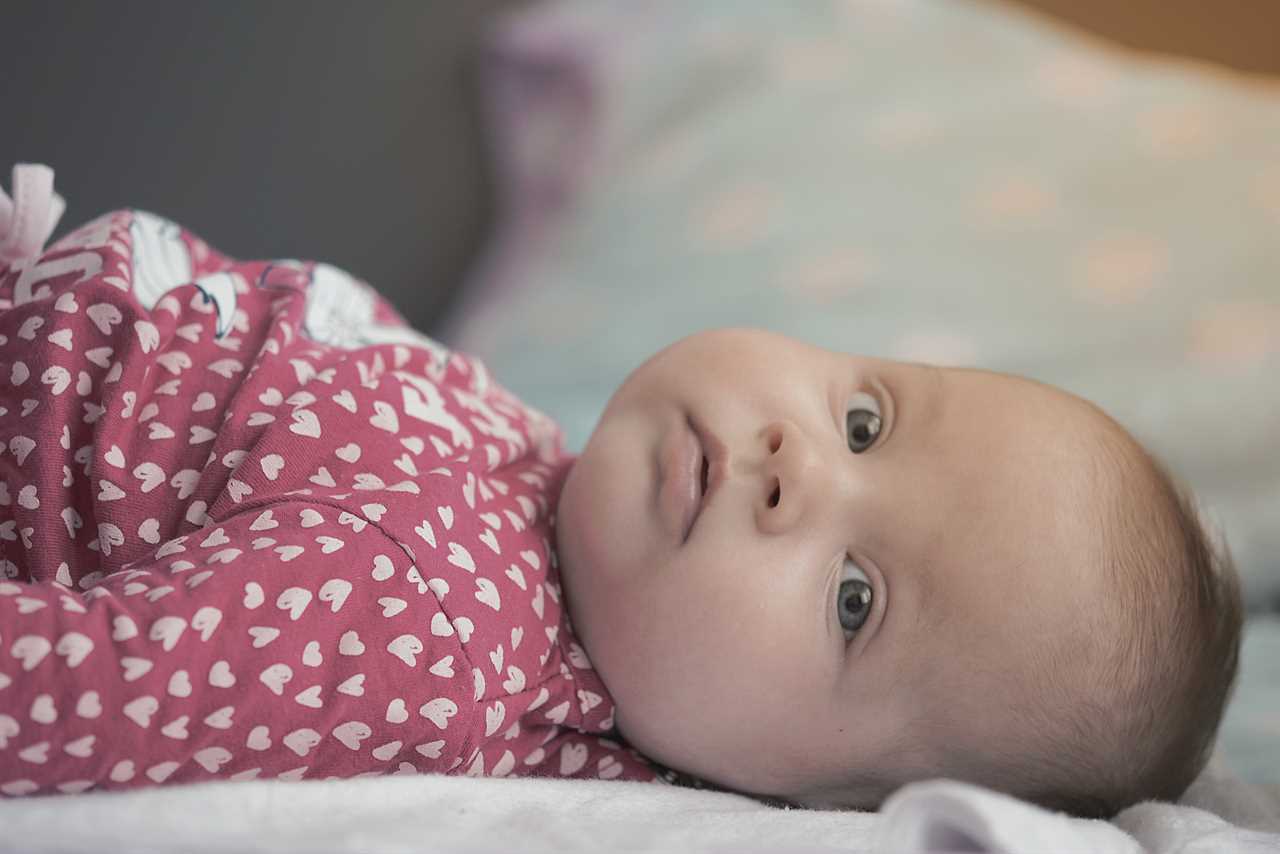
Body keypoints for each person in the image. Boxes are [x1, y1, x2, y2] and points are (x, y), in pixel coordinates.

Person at [0, 165, 1243, 818]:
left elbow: (72, 690)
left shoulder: (423, 627)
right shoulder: (542, 480)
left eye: (855, 599)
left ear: (800, 795)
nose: (794, 468)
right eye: (862, 419)